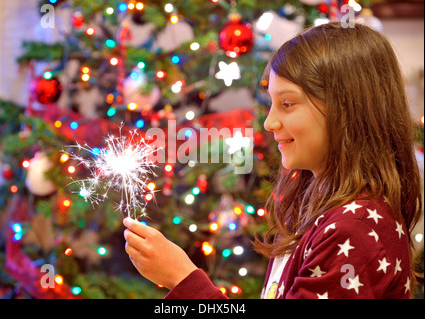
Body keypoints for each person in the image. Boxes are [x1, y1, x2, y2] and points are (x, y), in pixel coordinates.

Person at [123, 22, 423, 299]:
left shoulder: (353, 229)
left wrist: (183, 278)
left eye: (287, 104)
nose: (269, 123)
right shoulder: (318, 206)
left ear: (346, 109)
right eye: (271, 104)